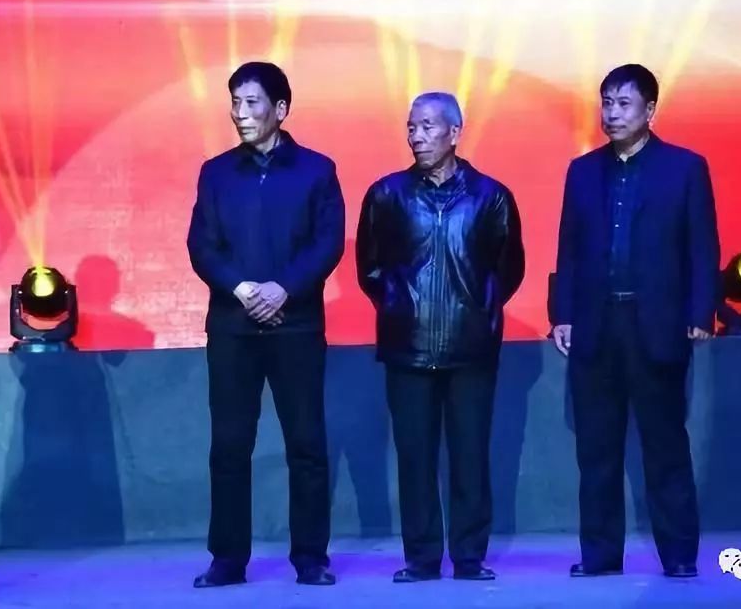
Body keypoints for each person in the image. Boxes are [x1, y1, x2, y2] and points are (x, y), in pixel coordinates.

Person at [552, 64, 720, 578]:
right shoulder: (582, 171)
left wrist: (700, 311)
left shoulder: (684, 168)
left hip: (658, 325)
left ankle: (680, 555)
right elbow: (569, 248)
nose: (612, 113)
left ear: (650, 110)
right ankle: (601, 556)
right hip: (597, 325)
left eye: (624, 104)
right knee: (596, 449)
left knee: (665, 445)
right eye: (606, 102)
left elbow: (702, 245)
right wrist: (562, 313)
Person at [187, 61, 344, 587]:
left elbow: (327, 243)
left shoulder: (317, 171)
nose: (240, 113)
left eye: (251, 102)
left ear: (280, 108)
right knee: (230, 446)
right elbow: (202, 246)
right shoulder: (215, 173)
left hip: (296, 326)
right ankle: (228, 559)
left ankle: (311, 558)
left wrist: (284, 289)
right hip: (232, 329)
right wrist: (243, 289)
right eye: (235, 102)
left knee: (307, 445)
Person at [356, 92, 525, 582]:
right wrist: (398, 306)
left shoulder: (491, 196)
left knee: (470, 457)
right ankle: (422, 558)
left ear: (455, 132)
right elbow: (370, 267)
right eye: (411, 127)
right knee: (415, 459)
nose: (417, 136)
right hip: (407, 347)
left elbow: (508, 268)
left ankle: (469, 557)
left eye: (428, 127)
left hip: (471, 348)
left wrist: (478, 309)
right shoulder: (386, 194)